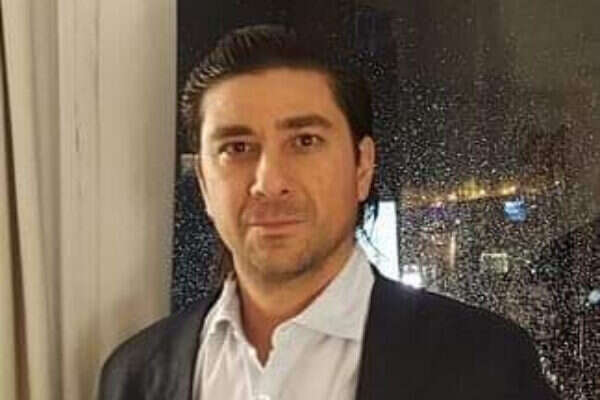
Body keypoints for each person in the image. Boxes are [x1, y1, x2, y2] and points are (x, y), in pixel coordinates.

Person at [97, 24, 558, 399]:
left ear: (362, 166)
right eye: (236, 147)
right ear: (202, 180)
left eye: (304, 141)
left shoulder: (483, 363)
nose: (268, 182)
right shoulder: (135, 375)